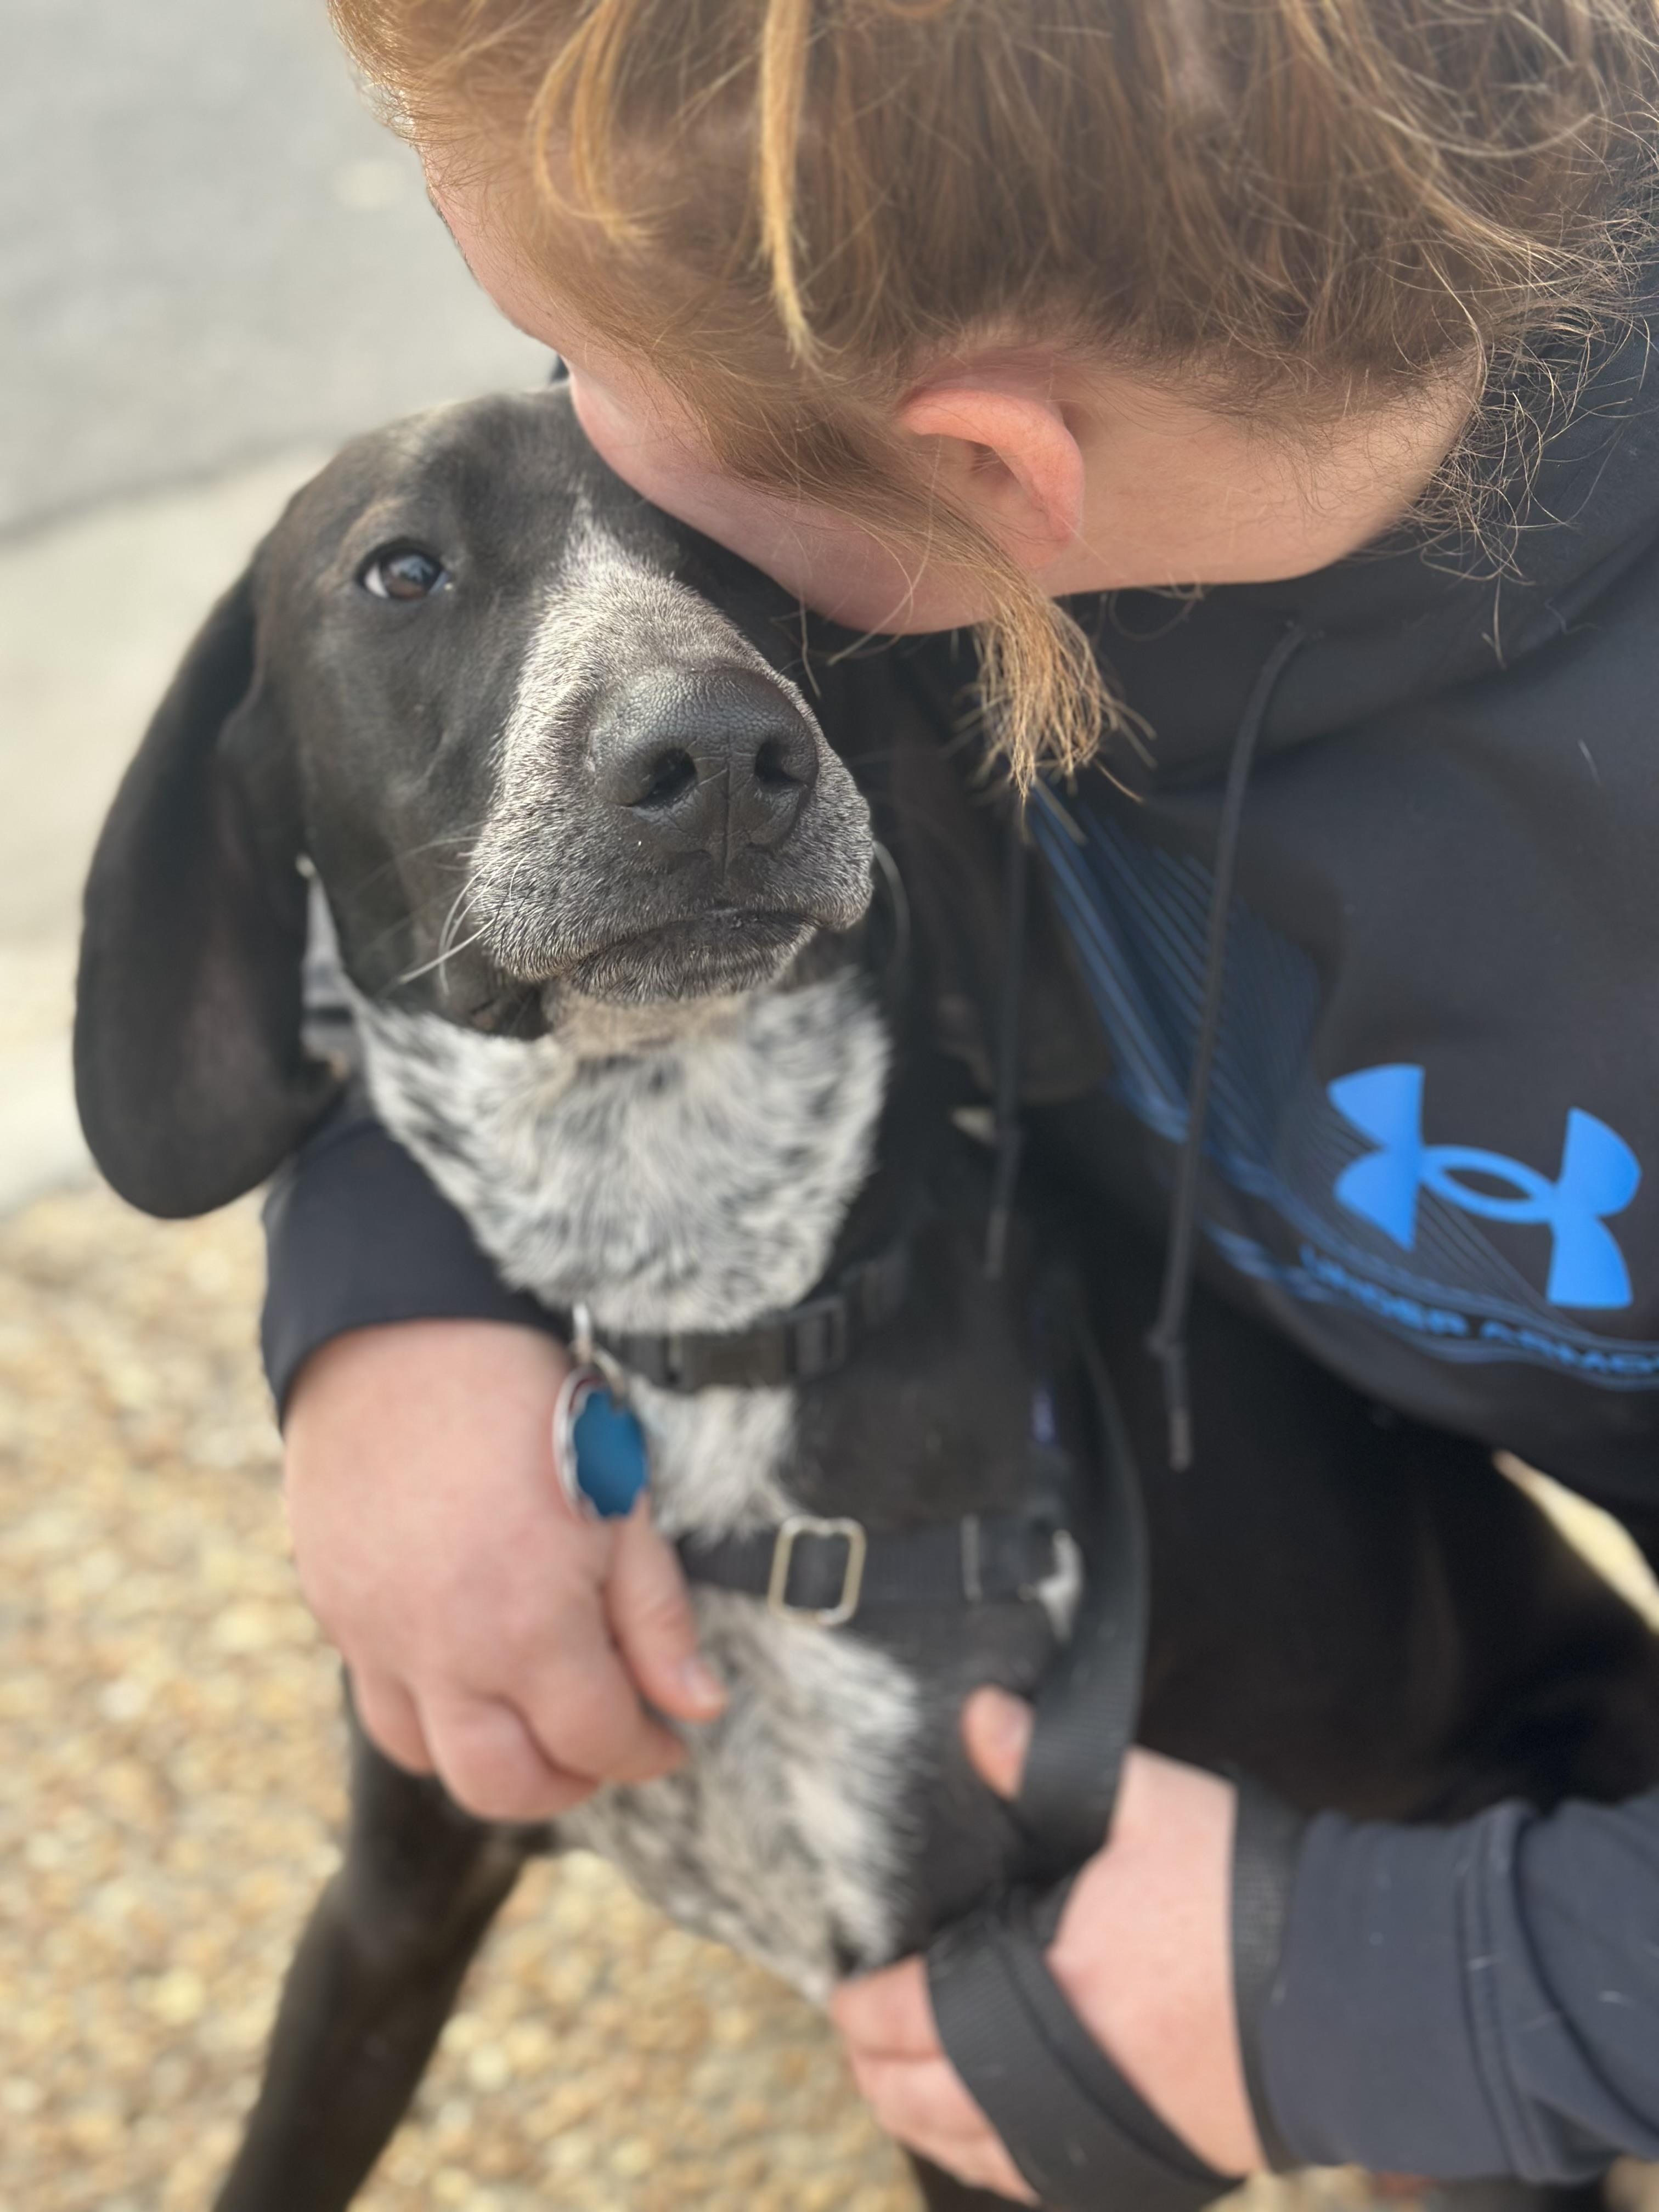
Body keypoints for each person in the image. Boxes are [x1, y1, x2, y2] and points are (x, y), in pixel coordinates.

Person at [265, 1, 1659, 2199]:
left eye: (592, 371)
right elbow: (452, 833)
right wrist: (393, 1285)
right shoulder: (880, 538)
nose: (581, 455)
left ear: (985, 473)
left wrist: (1410, 1987)